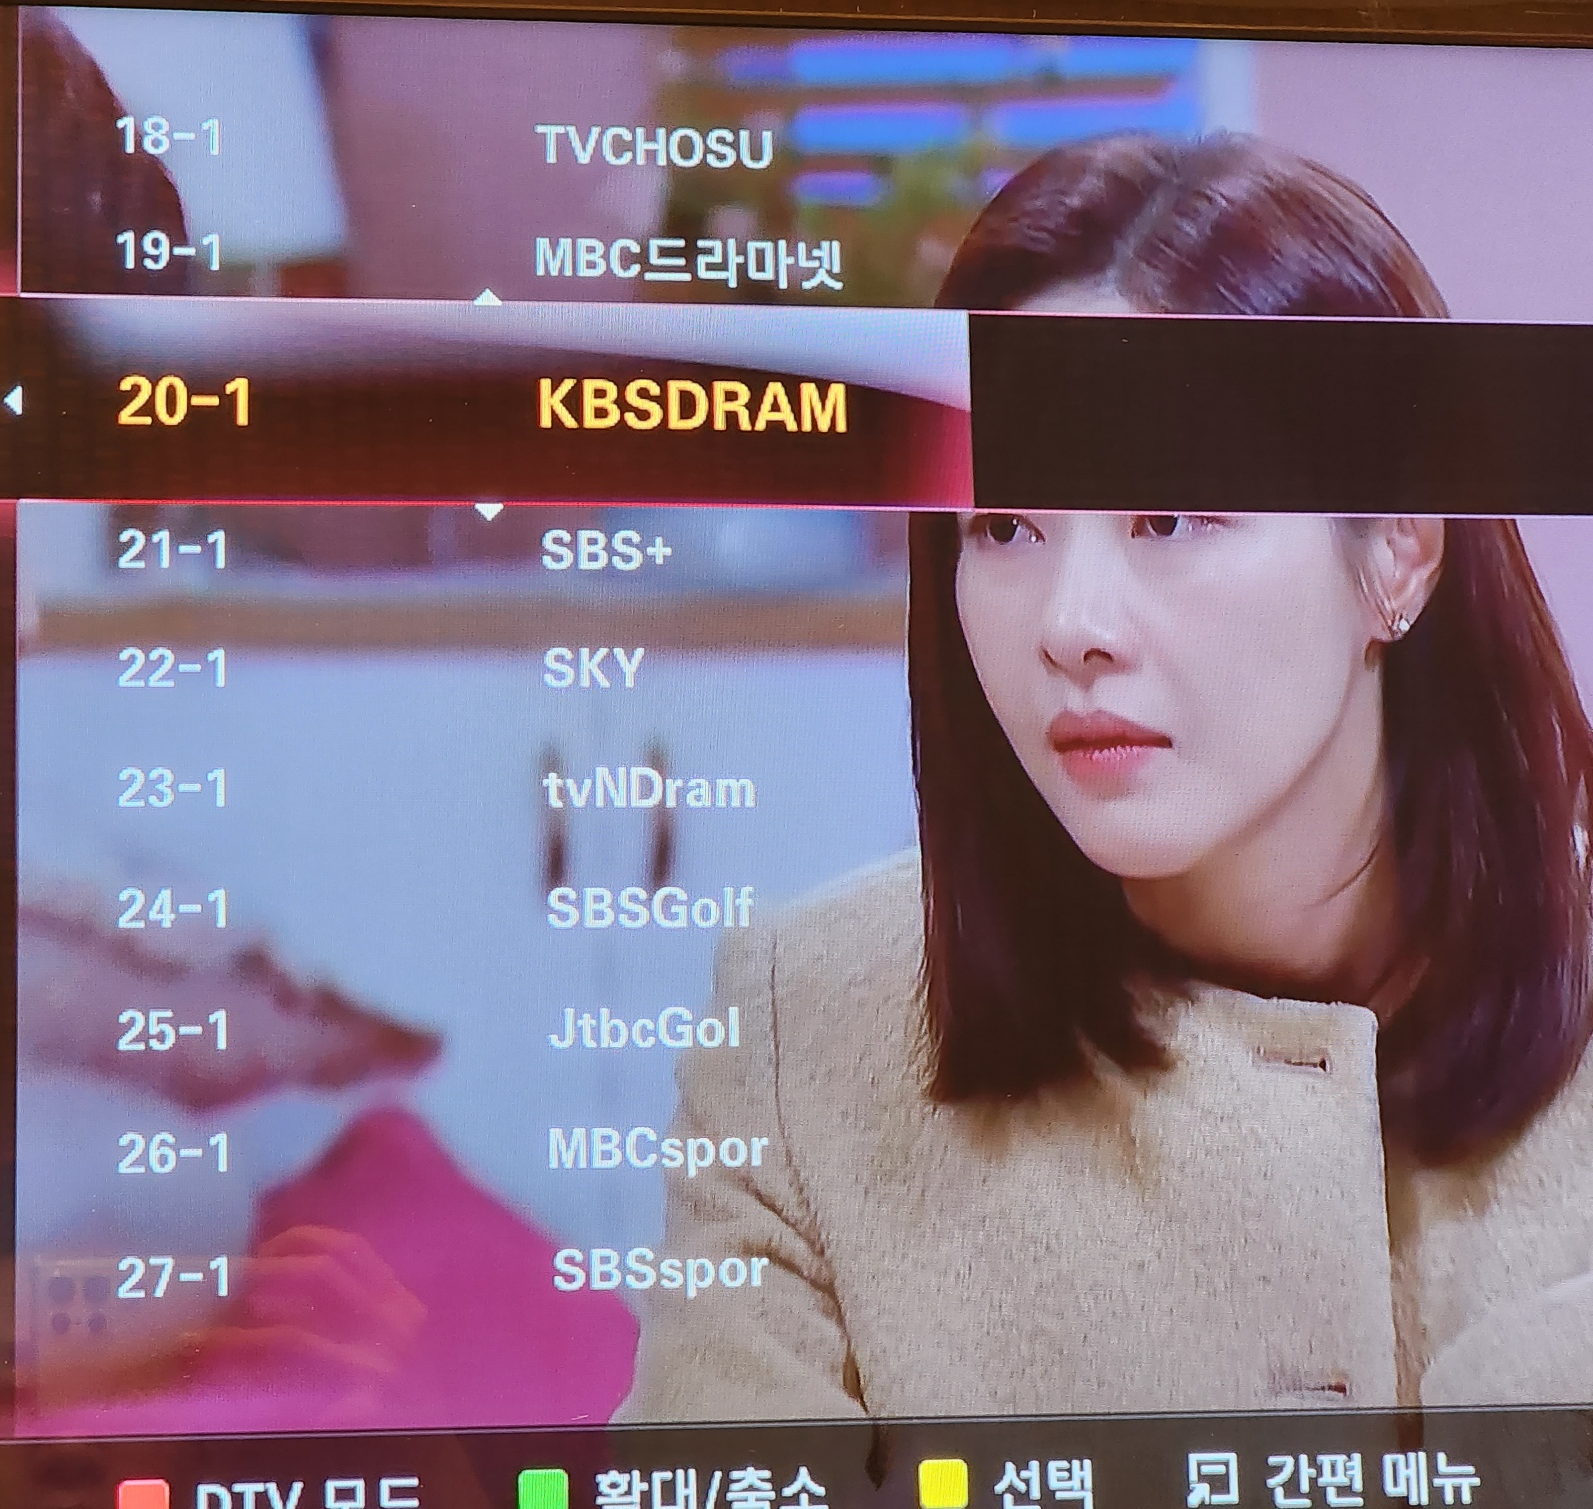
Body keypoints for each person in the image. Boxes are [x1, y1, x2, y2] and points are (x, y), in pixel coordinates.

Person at [619, 132, 1593, 1421]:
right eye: (1006, 524)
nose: (1071, 625)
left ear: (1399, 549)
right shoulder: (810, 1031)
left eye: (1168, 515)